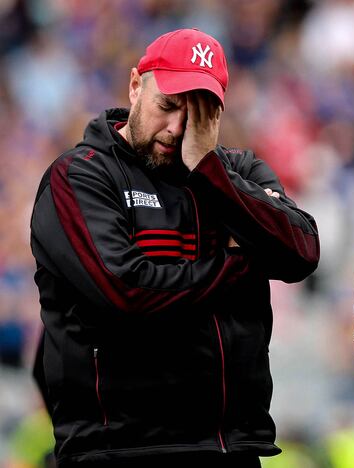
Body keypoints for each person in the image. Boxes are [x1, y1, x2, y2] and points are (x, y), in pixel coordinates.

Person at [29, 28, 320, 468]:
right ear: (134, 86)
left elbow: (301, 254)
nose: (177, 128)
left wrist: (209, 170)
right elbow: (127, 293)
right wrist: (242, 262)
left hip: (231, 448)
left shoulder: (238, 171)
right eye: (167, 105)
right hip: (120, 449)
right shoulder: (81, 176)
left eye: (198, 116)